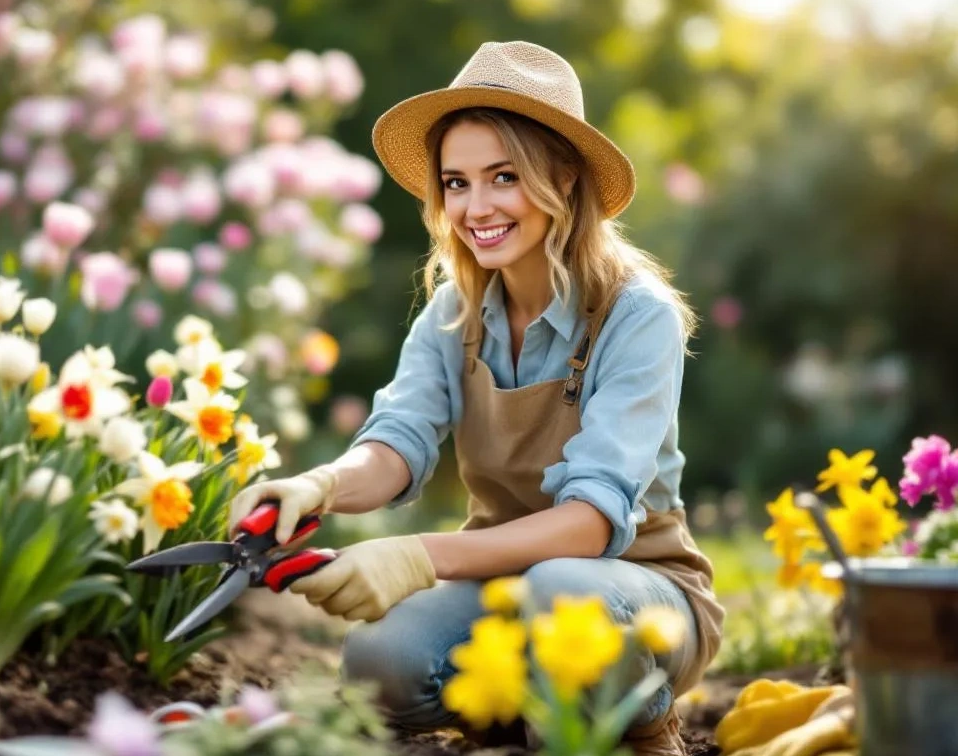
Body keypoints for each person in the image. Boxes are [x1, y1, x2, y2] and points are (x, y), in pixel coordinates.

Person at [226, 40, 724, 755]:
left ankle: (641, 722)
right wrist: (319, 486)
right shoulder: (454, 311)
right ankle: (519, 713)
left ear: (563, 181)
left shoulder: (634, 315)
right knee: (378, 666)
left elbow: (587, 525)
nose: (476, 206)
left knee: (565, 593)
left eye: (503, 177)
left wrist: (417, 558)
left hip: (636, 594)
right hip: (501, 581)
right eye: (456, 183)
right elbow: (399, 442)